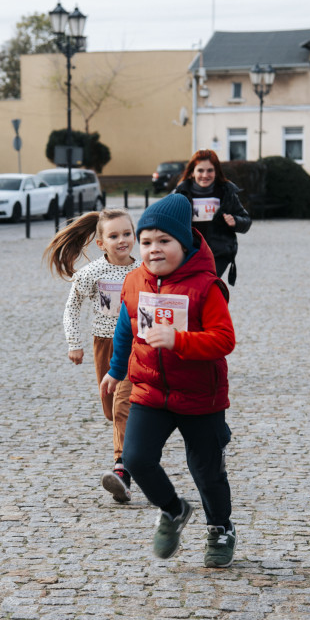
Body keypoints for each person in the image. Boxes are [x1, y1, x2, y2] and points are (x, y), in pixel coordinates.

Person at [99, 194, 238, 567]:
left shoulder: (206, 287)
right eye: (146, 242)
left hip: (199, 396)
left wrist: (180, 341)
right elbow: (126, 328)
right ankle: (173, 510)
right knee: (136, 458)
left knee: (207, 472)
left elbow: (225, 340)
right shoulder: (133, 282)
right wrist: (116, 370)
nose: (153, 250)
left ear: (185, 243)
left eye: (164, 241)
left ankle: (220, 528)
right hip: (151, 390)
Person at [44, 209, 141, 502]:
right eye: (114, 236)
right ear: (101, 243)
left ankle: (122, 468)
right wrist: (74, 343)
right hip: (106, 343)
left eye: (127, 234)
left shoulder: (144, 270)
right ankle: (133, 446)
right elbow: (72, 307)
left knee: (123, 405)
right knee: (111, 408)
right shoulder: (92, 273)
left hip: (137, 345)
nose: (122, 240)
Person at [172, 149, 251, 285]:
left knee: (205, 285)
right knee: (190, 288)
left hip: (218, 253)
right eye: (200, 170)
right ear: (192, 172)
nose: (205, 175)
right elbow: (165, 219)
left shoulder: (227, 192)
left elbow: (246, 221)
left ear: (216, 172)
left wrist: (235, 222)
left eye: (210, 170)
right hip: (189, 251)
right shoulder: (180, 193)